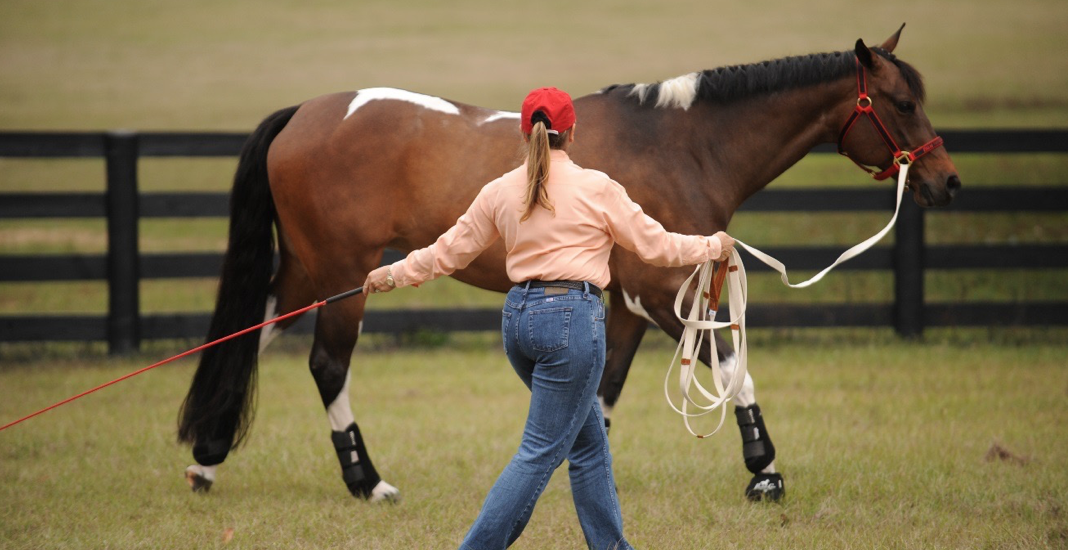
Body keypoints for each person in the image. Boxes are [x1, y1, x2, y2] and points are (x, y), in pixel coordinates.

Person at [363, 87, 734, 550]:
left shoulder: (499, 190)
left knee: (587, 445)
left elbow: (447, 253)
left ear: (525, 132)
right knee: (539, 453)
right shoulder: (598, 188)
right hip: (571, 325)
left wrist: (392, 274)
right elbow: (656, 247)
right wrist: (712, 247)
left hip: (519, 321)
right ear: (572, 133)